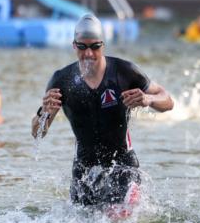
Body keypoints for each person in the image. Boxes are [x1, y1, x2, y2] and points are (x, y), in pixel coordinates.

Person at [33, 14, 174, 208]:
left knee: (119, 221)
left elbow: (168, 100)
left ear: (103, 45)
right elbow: (37, 132)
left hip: (123, 165)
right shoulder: (62, 80)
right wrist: (44, 113)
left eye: (95, 47)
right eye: (82, 47)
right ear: (74, 45)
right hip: (84, 170)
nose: (89, 53)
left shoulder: (124, 72)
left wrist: (148, 99)